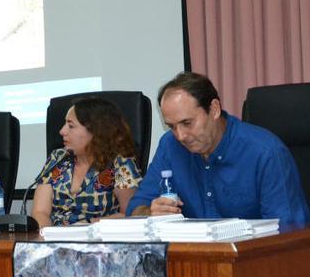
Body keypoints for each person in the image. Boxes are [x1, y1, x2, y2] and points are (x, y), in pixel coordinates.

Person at [127, 72, 310, 226]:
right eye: (172, 126)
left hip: (252, 262)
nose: (180, 135)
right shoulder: (170, 146)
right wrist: (150, 213)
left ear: (214, 109)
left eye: (187, 123)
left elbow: (287, 231)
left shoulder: (265, 152)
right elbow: (135, 208)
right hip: (192, 262)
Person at [31, 97, 143, 227]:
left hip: (98, 241)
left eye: (71, 126)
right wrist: (46, 239)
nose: (62, 131)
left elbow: (130, 214)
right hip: (55, 239)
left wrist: (89, 224)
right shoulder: (58, 157)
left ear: (96, 131)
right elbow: (40, 212)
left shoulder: (120, 164)